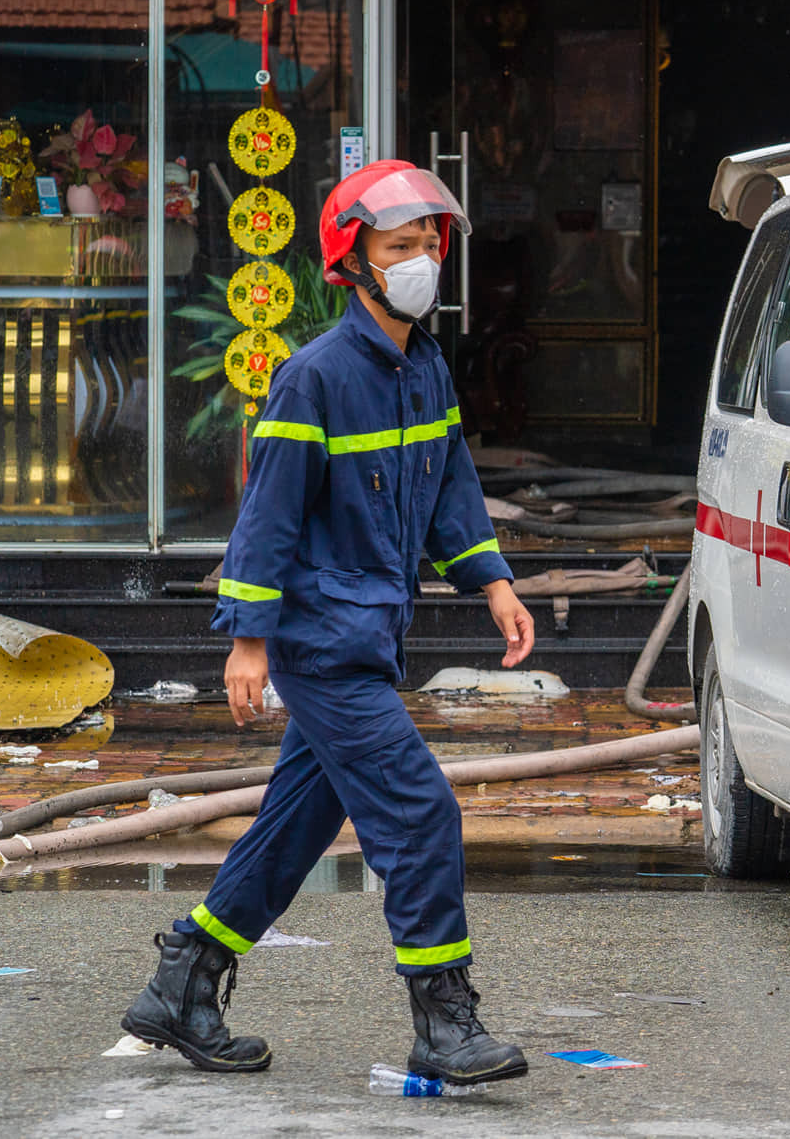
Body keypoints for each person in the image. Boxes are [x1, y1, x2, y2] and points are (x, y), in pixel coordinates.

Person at [121, 161, 537, 1087]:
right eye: (401, 246)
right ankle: (444, 1021)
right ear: (354, 263)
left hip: (371, 633)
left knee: (296, 824)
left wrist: (495, 582)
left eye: (429, 243)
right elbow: (266, 516)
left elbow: (451, 495)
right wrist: (249, 638)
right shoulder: (311, 378)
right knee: (420, 810)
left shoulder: (424, 367)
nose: (423, 259)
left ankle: (183, 980)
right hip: (321, 643)